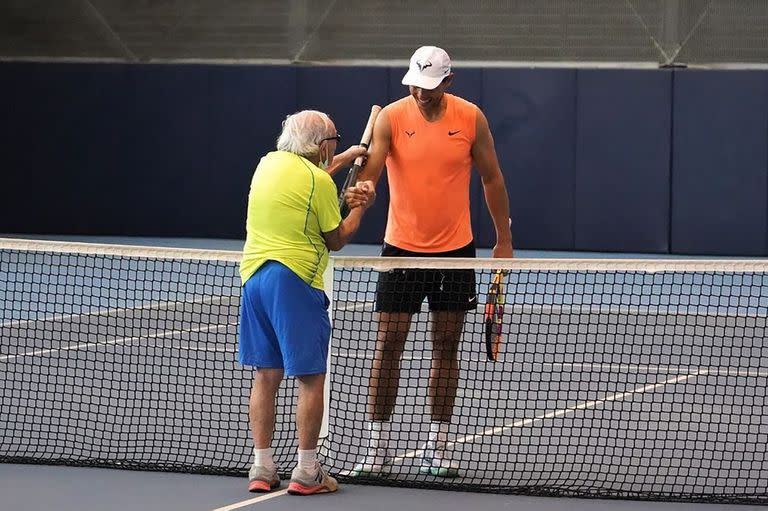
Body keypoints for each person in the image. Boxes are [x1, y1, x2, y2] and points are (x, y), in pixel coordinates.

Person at [347, 45, 513, 478]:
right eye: (415, 85)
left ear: (448, 83)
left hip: (455, 251)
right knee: (388, 345)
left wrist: (504, 238)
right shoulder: (392, 117)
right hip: (400, 248)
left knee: (446, 346)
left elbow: (492, 178)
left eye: (430, 86)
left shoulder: (470, 118)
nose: (420, 93)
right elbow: (370, 176)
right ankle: (377, 446)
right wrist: (359, 201)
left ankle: (438, 446)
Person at [238, 110, 375, 495]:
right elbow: (336, 238)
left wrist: (345, 158)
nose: (333, 147)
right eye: (332, 141)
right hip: (295, 280)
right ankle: (307, 470)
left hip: (254, 278)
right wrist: (360, 205)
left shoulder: (268, 163)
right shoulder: (317, 179)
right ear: (319, 145)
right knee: (311, 378)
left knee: (266, 375)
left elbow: (308, 181)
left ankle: (262, 467)